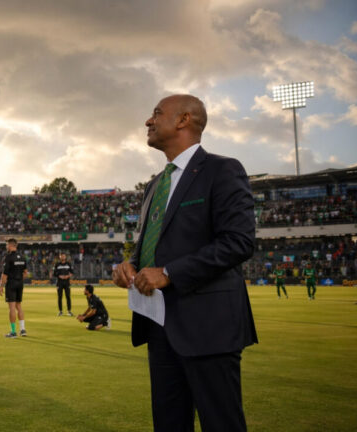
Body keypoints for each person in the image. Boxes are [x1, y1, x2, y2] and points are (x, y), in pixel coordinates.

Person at [112, 94, 257, 431]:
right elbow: (152, 246)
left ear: (183, 120)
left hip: (209, 326)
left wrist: (169, 273)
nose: (148, 121)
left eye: (156, 113)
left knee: (221, 423)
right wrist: (130, 266)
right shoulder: (154, 185)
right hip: (160, 326)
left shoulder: (222, 170)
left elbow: (239, 241)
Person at [0, 238, 28, 337]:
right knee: (19, 306)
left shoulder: (8, 257)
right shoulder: (23, 257)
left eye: (7, 245)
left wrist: (1, 286)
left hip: (11, 284)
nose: (6, 247)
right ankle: (23, 330)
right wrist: (18, 279)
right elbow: (25, 273)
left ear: (11, 245)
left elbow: (4, 275)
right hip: (20, 284)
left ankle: (13, 332)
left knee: (11, 307)